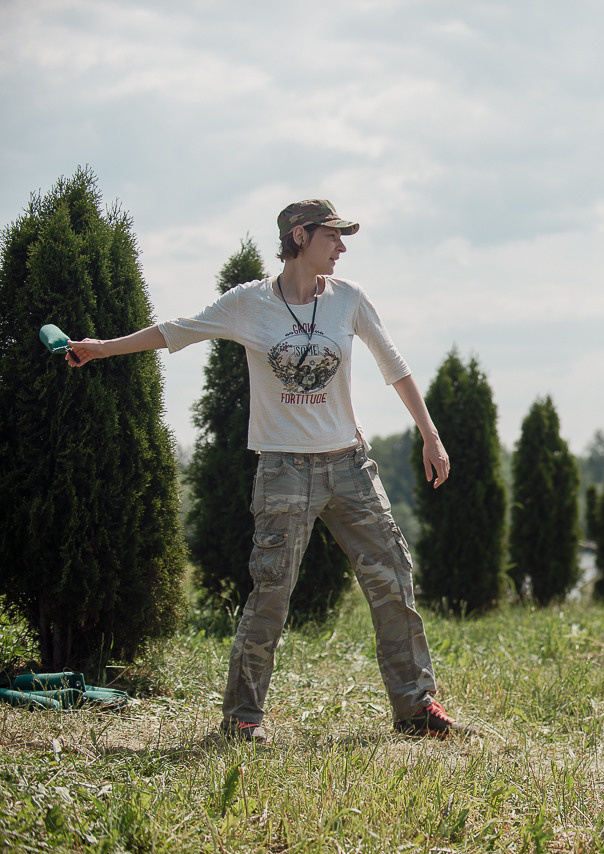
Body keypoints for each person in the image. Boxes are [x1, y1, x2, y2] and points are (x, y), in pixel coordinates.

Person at [65, 199, 468, 742]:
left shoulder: (349, 300)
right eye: (334, 236)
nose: (343, 247)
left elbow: (394, 367)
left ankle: (416, 707)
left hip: (350, 464)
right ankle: (243, 717)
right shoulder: (249, 304)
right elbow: (174, 330)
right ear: (300, 236)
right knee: (271, 593)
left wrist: (430, 435)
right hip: (283, 472)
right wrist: (100, 349)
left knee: (393, 579)